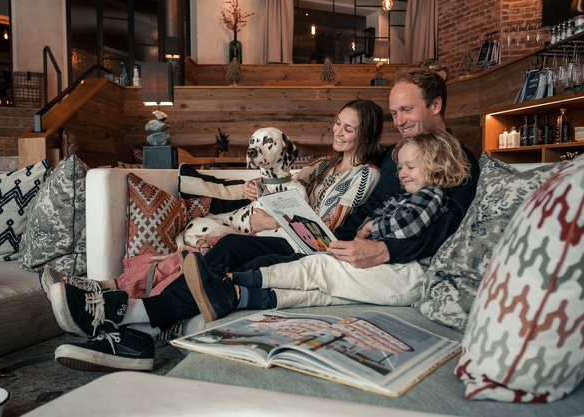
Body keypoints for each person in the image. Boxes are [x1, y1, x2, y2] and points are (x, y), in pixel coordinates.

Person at [50, 69, 480, 372]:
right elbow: (369, 211)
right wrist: (323, 229)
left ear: (436, 104)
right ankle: (132, 324)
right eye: (396, 113)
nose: (400, 122)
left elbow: (445, 226)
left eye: (407, 111)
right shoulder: (394, 157)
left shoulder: (455, 160)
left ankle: (122, 318)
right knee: (230, 245)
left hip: (382, 259)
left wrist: (384, 248)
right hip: (334, 241)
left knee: (243, 265)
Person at [43, 99, 383, 299]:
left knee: (225, 248)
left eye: (348, 129)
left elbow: (326, 228)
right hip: (280, 230)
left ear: (365, 134)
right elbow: (287, 186)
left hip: (302, 244)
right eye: (337, 123)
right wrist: (259, 192)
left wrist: (274, 217)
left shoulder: (366, 174)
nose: (338, 132)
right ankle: (115, 286)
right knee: (204, 250)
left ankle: (120, 290)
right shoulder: (323, 165)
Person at [182, 129, 472, 322]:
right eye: (400, 168)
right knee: (316, 291)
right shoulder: (402, 194)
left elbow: (406, 226)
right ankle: (231, 296)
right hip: (395, 269)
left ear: (436, 167)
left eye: (410, 167)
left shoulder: (431, 193)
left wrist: (371, 228)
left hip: (409, 275)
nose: (402, 174)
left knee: (319, 269)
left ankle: (228, 281)